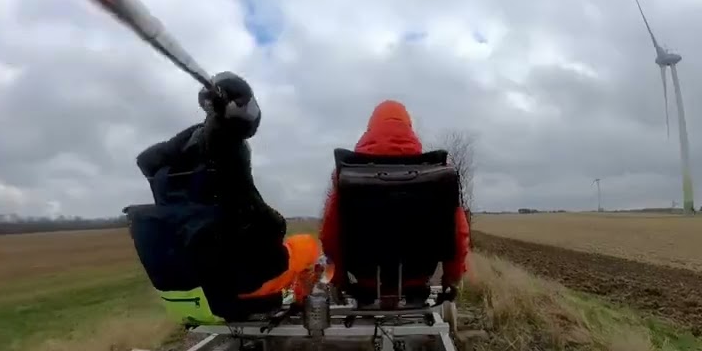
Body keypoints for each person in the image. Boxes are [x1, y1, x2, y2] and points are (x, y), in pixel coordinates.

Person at [128, 72, 320, 325]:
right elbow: (264, 220)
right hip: (238, 290)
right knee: (307, 246)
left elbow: (148, 159)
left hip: (196, 296)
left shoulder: (177, 189)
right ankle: (296, 304)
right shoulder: (229, 157)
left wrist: (210, 121)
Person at [318, 99, 470, 299]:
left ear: (370, 129)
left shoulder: (347, 175)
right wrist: (452, 278)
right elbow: (457, 233)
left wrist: (339, 280)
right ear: (409, 128)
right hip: (417, 277)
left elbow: (330, 235)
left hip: (365, 279)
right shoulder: (435, 172)